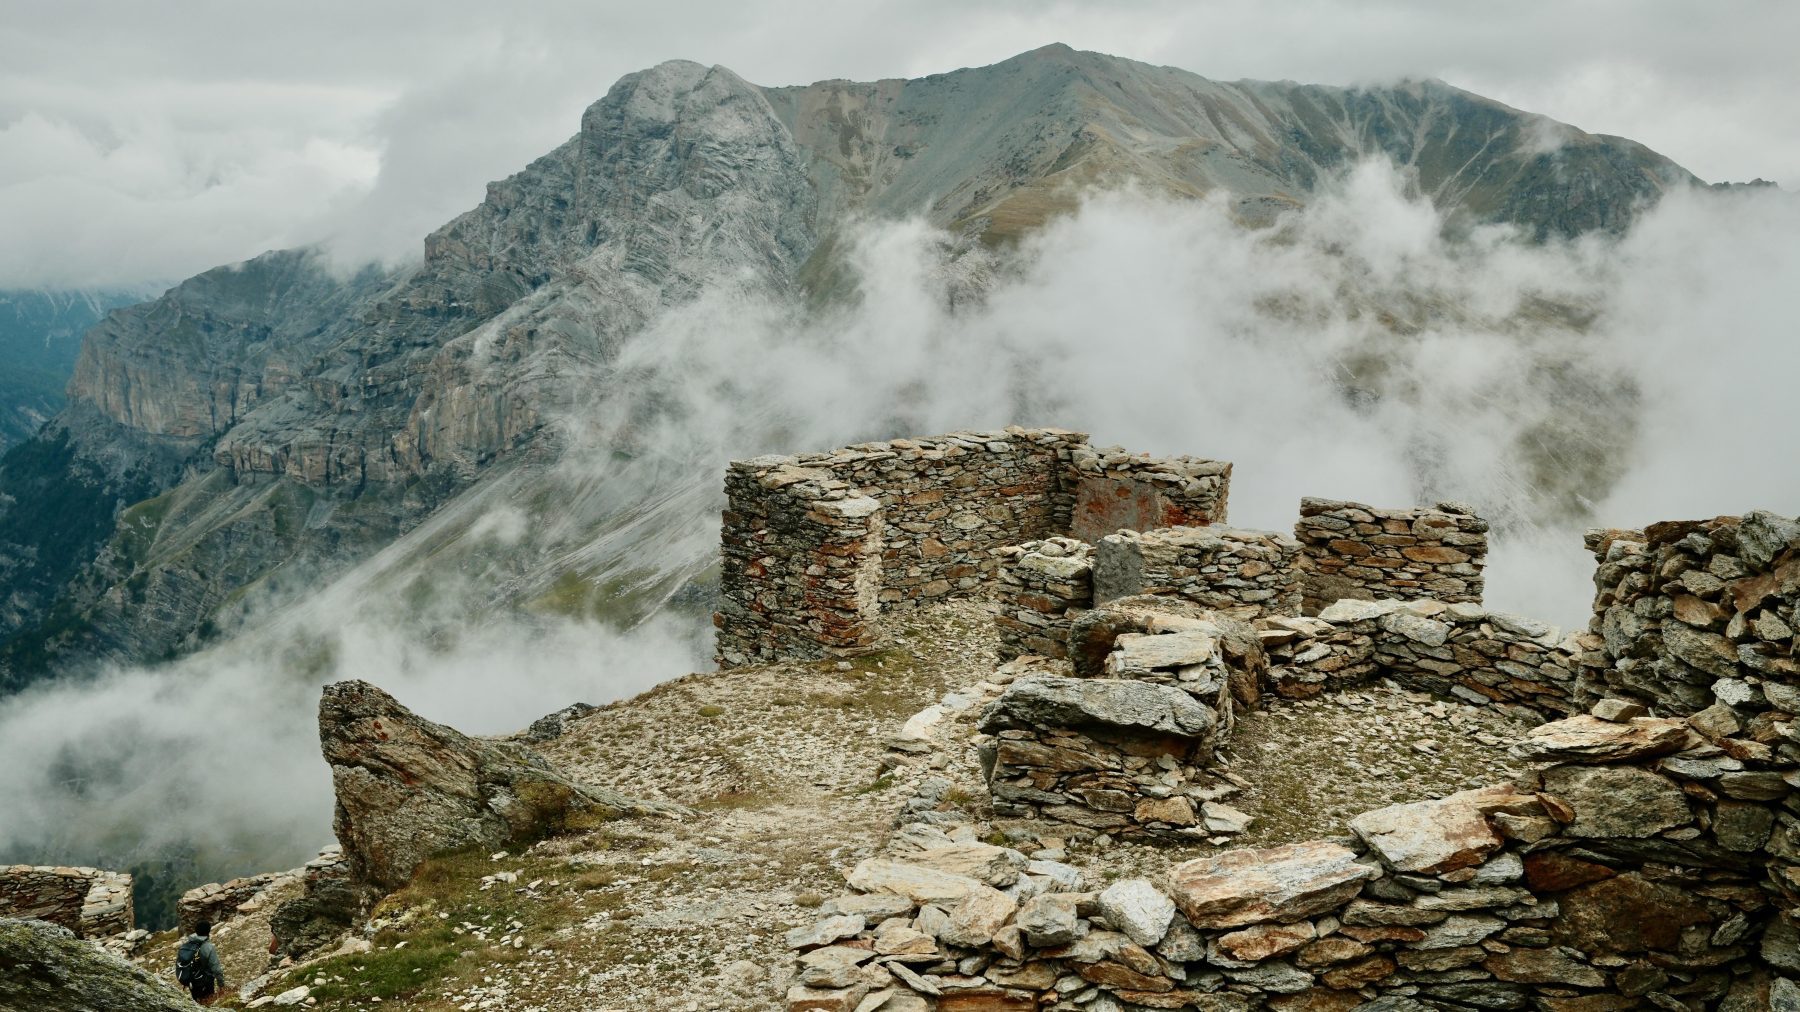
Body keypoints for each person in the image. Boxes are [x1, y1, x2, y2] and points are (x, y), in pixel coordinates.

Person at [175, 918, 225, 1004]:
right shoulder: (208, 947)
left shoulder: (187, 944)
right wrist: (221, 985)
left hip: (192, 982)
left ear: (196, 931)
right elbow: (216, 969)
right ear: (209, 931)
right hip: (205, 983)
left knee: (197, 1003)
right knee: (208, 1004)